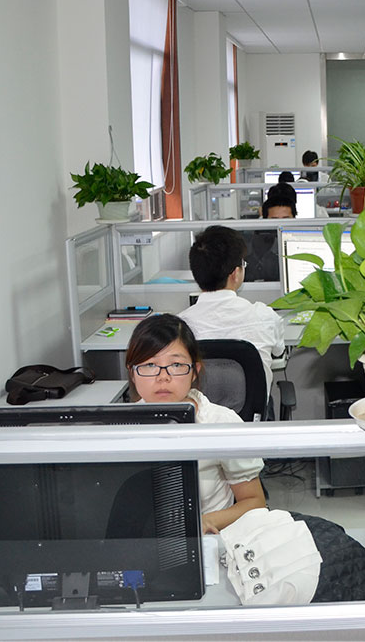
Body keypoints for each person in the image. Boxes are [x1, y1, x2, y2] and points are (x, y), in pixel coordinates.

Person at [126, 313, 266, 533]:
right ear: (133, 374)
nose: (163, 377)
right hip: (143, 539)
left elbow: (255, 502)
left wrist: (205, 522)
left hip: (209, 539)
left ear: (194, 371)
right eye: (150, 364)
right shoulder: (123, 427)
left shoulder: (221, 423)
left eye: (176, 364)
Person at [179, 226, 285, 394]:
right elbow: (279, 351)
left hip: (200, 410)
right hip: (253, 411)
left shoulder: (179, 327)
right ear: (235, 274)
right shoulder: (265, 316)